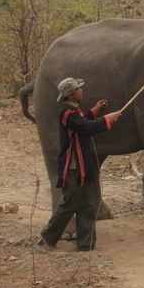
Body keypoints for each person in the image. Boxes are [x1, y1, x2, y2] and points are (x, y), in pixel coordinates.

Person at [40, 77, 121, 252]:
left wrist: (95, 110)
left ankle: (86, 244)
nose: (81, 90)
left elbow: (83, 119)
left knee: (88, 205)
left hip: (83, 167)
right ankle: (48, 236)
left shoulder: (74, 112)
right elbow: (85, 127)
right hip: (73, 168)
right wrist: (107, 119)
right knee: (70, 204)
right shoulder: (66, 113)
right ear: (70, 95)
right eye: (78, 89)